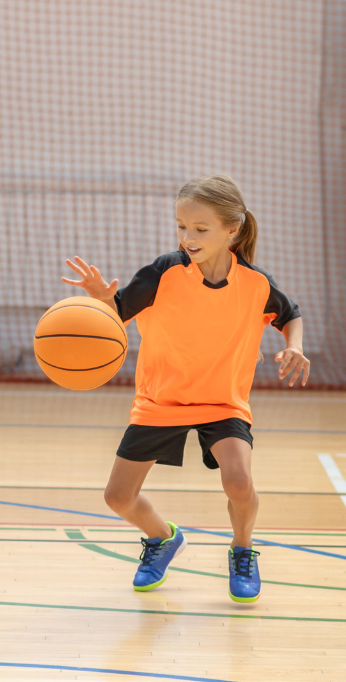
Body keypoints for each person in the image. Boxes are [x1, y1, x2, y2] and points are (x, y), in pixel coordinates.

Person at [62, 175, 309, 604]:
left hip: (222, 401)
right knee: (117, 497)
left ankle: (243, 549)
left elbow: (290, 314)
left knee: (239, 480)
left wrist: (296, 346)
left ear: (232, 229)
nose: (187, 237)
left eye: (199, 228)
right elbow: (114, 318)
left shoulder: (254, 283)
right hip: (161, 401)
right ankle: (163, 538)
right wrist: (102, 298)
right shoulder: (164, 272)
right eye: (181, 226)